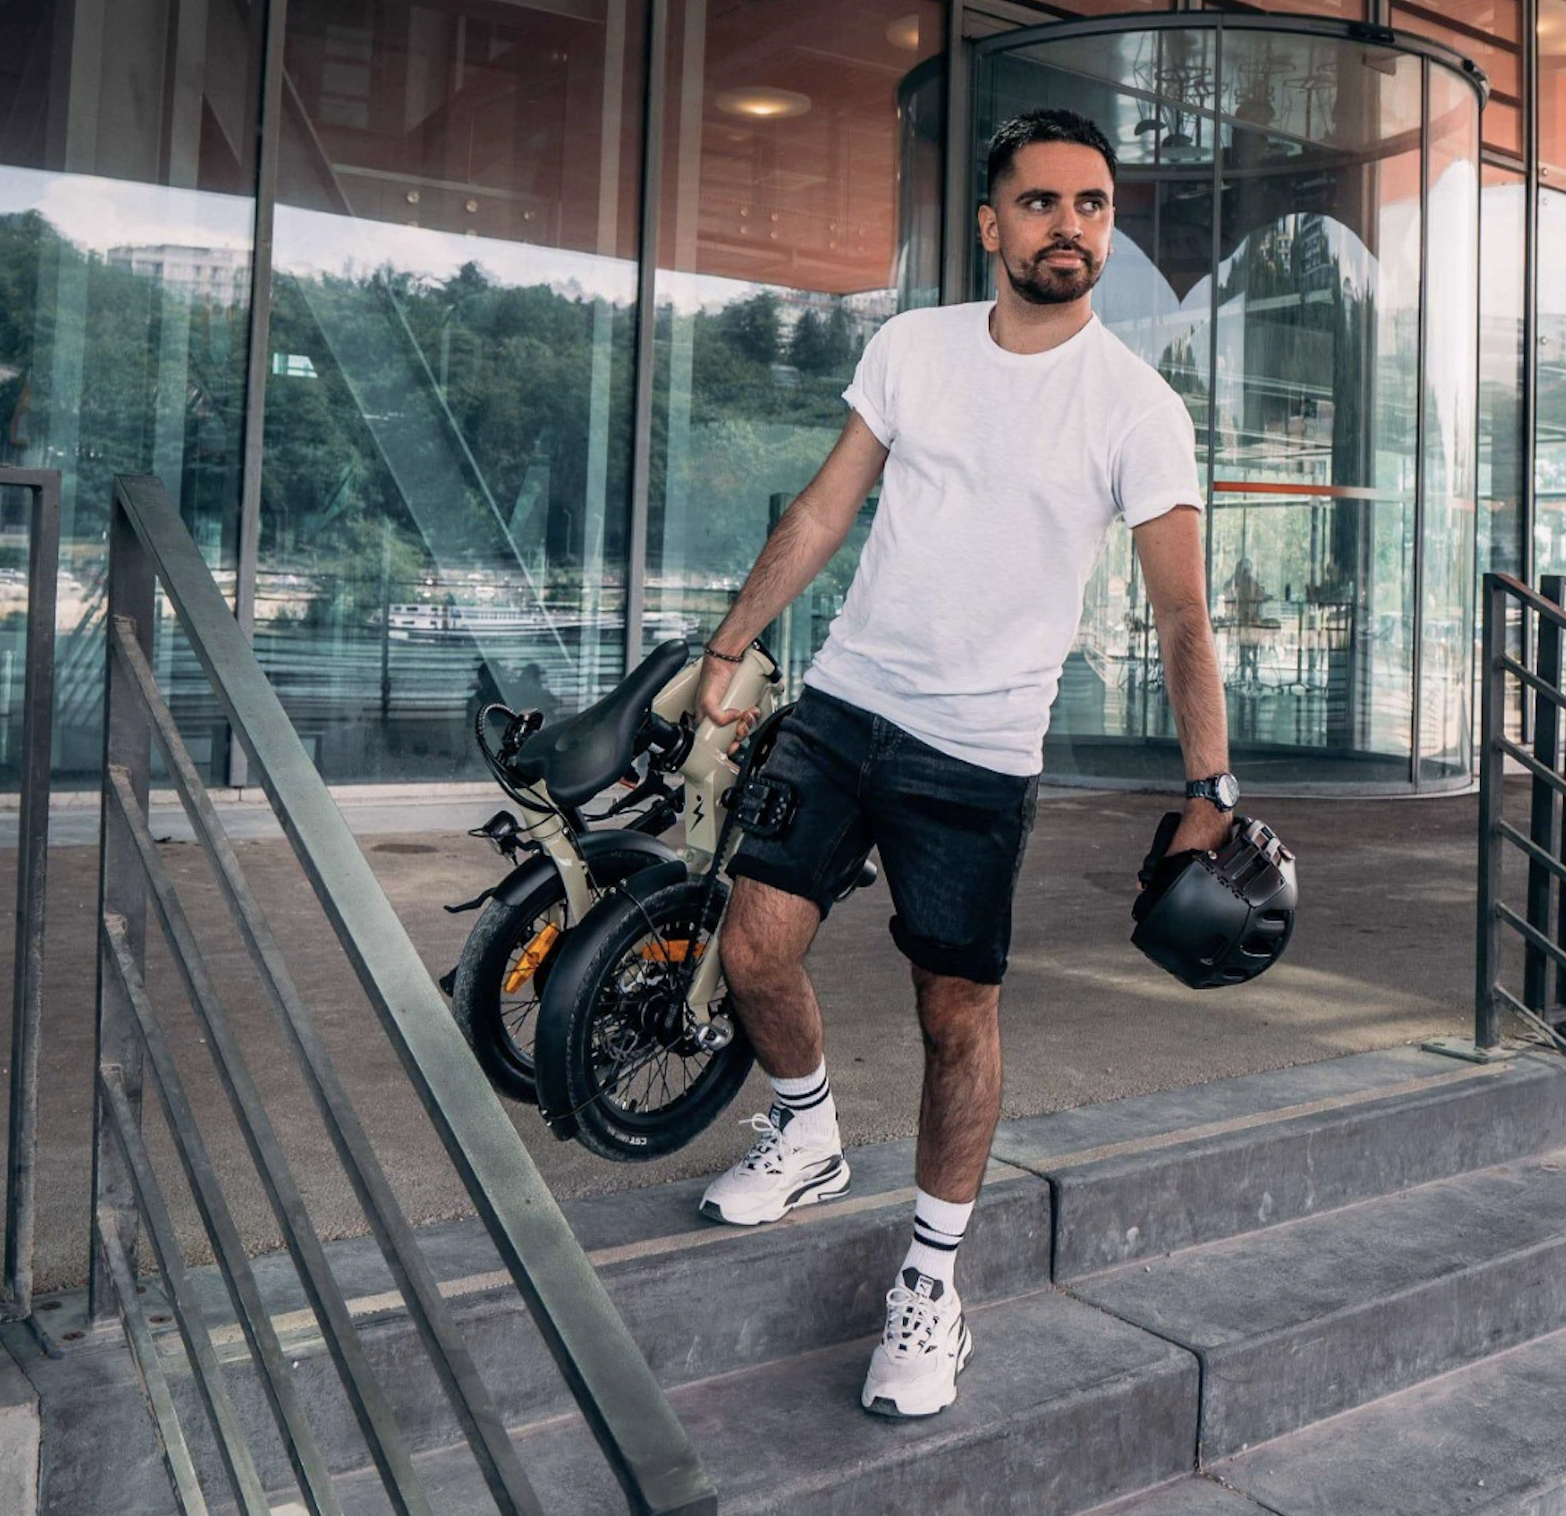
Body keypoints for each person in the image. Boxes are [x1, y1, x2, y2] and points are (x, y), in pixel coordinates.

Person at [694, 108, 1234, 1419]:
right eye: (1041, 203)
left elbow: (1180, 613)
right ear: (991, 225)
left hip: (978, 755)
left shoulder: (1136, 408)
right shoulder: (912, 348)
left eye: (1091, 204)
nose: (1069, 226)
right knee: (753, 948)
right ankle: (808, 1128)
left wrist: (1208, 787)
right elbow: (825, 507)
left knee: (955, 1018)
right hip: (843, 708)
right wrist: (731, 643)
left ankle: (931, 1280)